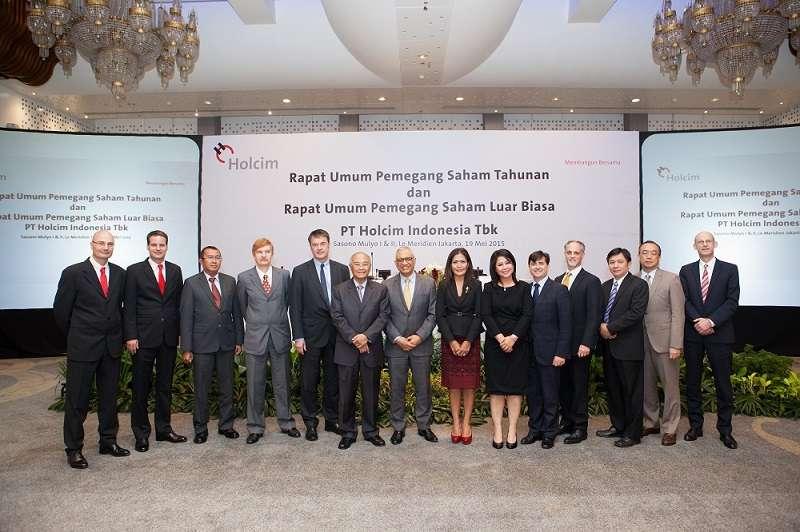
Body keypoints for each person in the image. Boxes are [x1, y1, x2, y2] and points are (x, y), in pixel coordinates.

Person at [54, 230, 130, 469]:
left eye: (110, 244)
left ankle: (108, 441)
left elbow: (121, 309)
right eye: (101, 243)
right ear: (92, 244)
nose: (106, 247)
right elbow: (61, 312)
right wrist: (77, 335)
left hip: (111, 347)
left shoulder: (120, 274)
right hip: (83, 346)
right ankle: (74, 449)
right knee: (77, 400)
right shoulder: (73, 273)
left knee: (109, 398)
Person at [125, 230, 186, 452]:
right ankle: (141, 433)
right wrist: (130, 335)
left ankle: (163, 429)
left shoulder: (175, 270)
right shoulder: (134, 271)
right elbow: (129, 306)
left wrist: (180, 334)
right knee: (141, 387)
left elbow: (178, 304)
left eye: (162, 245)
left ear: (167, 246)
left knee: (164, 386)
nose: (158, 248)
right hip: (142, 338)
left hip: (168, 337)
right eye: (154, 245)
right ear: (148, 246)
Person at [679, 231, 740, 449]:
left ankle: (726, 431)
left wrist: (711, 321)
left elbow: (732, 302)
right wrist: (698, 320)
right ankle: (695, 426)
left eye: (708, 241)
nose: (704, 244)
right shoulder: (686, 270)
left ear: (715, 244)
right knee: (693, 382)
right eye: (700, 242)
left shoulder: (730, 269)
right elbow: (683, 300)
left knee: (723, 384)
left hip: (720, 334)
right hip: (693, 333)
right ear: (694, 246)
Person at [289, 229, 350, 441]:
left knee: (333, 381)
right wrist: (298, 337)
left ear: (328, 244)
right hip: (310, 337)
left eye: (322, 243)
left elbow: (347, 304)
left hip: (337, 335)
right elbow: (295, 307)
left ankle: (332, 420)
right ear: (310, 247)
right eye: (315, 244)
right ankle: (310, 422)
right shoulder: (300, 271)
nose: (319, 248)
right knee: (309, 382)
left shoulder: (342, 270)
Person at [180, 246, 244, 444]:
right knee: (202, 389)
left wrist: (239, 340)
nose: (214, 261)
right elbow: (186, 317)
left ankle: (226, 425)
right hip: (202, 345)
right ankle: (200, 428)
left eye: (217, 257)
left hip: (226, 343)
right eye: (210, 257)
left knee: (227, 388)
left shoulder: (229, 281)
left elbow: (236, 313)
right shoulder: (191, 283)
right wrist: (187, 348)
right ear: (202, 260)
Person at [237, 238, 298, 444]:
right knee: (255, 385)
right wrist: (257, 322)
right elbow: (243, 307)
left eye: (267, 252)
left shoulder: (284, 276)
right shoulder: (244, 278)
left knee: (283, 384)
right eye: (260, 252)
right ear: (253, 255)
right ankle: (255, 427)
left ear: (272, 254)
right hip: (256, 337)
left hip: (279, 335)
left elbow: (287, 303)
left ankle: (287, 423)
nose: (264, 255)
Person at [330, 252, 390, 450]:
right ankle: (347, 432)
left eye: (365, 264)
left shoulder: (380, 289)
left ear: (369, 266)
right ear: (351, 266)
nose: (361, 267)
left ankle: (371, 431)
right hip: (346, 349)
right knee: (346, 394)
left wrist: (366, 337)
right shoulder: (339, 289)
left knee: (371, 393)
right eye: (357, 264)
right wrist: (355, 338)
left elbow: (383, 316)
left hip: (371, 349)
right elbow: (337, 316)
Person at [384, 246, 438, 444]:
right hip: (396, 347)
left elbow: (433, 314)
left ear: (414, 260)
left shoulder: (429, 283)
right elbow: (384, 316)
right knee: (397, 389)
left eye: (408, 259)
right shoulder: (386, 285)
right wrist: (397, 338)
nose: (404, 263)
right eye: (400, 260)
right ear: (395, 263)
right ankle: (398, 427)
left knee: (423, 388)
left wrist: (419, 337)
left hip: (421, 346)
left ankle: (424, 425)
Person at [597, 247, 649, 448]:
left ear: (628, 263)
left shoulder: (639, 285)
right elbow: (598, 313)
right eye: (612, 262)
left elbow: (636, 313)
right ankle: (618, 426)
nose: (615, 265)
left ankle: (633, 433)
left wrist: (610, 327)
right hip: (609, 347)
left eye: (619, 262)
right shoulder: (605, 287)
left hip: (629, 348)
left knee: (632, 392)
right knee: (614, 390)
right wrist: (601, 327)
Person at [481, 249, 533, 449]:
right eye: (500, 264)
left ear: (513, 264)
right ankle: (497, 430)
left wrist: (513, 338)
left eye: (508, 262)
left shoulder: (524, 288)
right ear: (494, 268)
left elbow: (527, 315)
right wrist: (501, 338)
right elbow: (486, 315)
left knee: (514, 390)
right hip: (495, 345)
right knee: (496, 390)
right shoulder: (488, 288)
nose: (505, 267)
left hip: (518, 345)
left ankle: (512, 430)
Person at [553, 240, 602, 445]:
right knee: (563, 386)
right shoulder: (558, 280)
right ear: (564, 254)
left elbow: (594, 315)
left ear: (582, 255)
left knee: (579, 386)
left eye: (576, 253)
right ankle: (567, 422)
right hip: (561, 346)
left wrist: (587, 342)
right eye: (569, 252)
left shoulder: (591, 281)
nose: (572, 256)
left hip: (580, 345)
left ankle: (580, 427)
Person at [522, 251, 571, 449]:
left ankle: (549, 432)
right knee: (533, 395)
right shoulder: (525, 289)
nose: (537, 267)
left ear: (547, 266)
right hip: (528, 353)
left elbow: (566, 325)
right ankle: (534, 430)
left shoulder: (559, 290)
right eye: (533, 264)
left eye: (541, 263)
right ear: (529, 267)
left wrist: (561, 353)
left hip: (551, 354)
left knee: (550, 395)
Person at [639, 240, 684, 446]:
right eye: (644, 252)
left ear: (659, 256)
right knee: (646, 385)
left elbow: (678, 314)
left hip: (665, 343)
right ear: (639, 256)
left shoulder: (671, 279)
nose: (648, 256)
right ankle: (650, 422)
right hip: (640, 342)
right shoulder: (634, 279)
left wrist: (676, 344)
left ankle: (670, 428)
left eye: (653, 253)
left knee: (670, 387)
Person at [435, 248, 482, 445]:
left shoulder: (476, 285)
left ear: (468, 264)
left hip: (471, 339)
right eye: (455, 262)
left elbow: (479, 314)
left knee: (469, 385)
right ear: (450, 264)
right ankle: (456, 423)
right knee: (454, 385)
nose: (459, 265)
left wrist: (468, 341)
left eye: (462, 261)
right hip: (450, 340)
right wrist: (452, 341)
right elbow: (440, 315)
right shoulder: (443, 284)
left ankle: (466, 424)